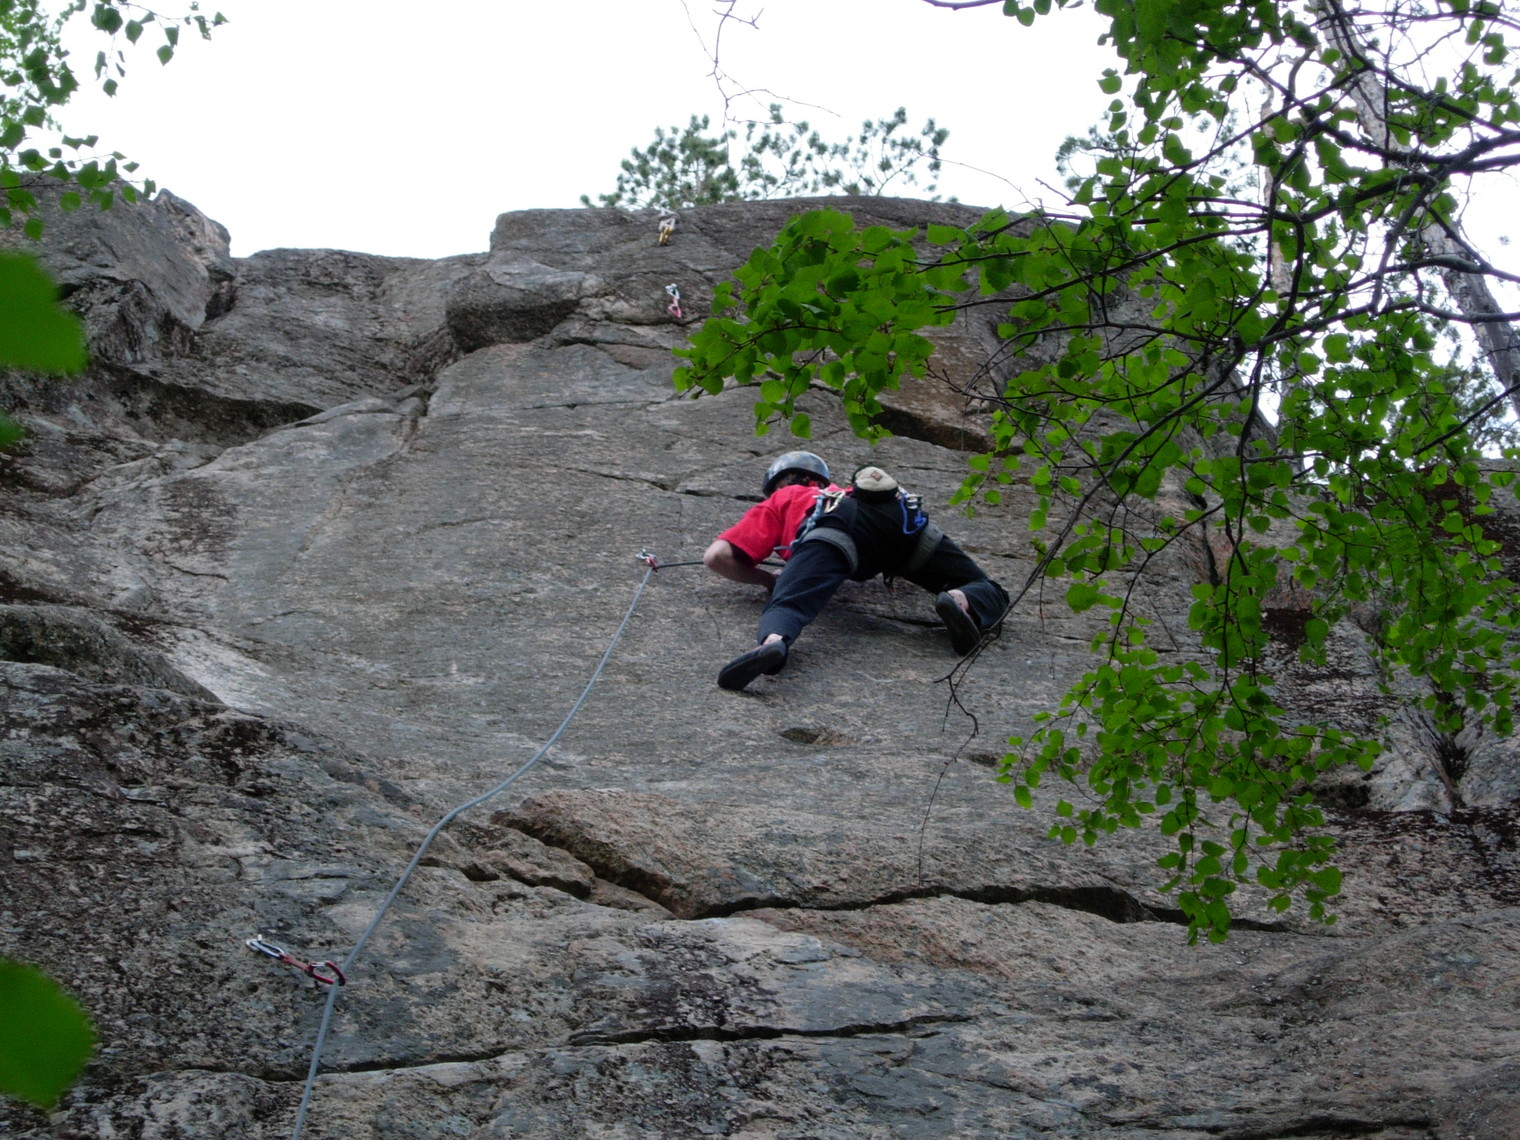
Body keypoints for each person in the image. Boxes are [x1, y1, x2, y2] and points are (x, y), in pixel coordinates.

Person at [706, 452, 1010, 691]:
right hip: (900, 521)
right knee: (983, 585)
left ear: (777, 485)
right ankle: (960, 600)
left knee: (789, 605)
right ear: (821, 480)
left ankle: (773, 644)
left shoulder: (786, 497)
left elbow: (717, 557)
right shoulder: (846, 491)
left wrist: (769, 580)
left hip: (835, 531)